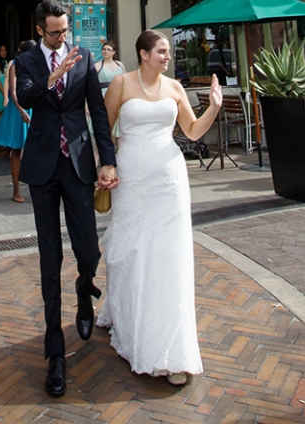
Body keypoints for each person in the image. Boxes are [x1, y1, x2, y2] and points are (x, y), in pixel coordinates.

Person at [97, 30, 222, 386]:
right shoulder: (121, 83)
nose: (168, 57)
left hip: (169, 178)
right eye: (162, 51)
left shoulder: (176, 88)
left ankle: (170, 346)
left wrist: (212, 105)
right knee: (131, 249)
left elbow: (193, 132)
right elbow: (103, 130)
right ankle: (126, 316)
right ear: (143, 53)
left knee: (169, 256)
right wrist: (105, 165)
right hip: (132, 177)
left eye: (168, 52)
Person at [16, 0, 117, 399]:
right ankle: (55, 353)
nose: (62, 37)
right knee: (49, 258)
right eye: (55, 32)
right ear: (41, 30)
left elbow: (98, 112)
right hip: (42, 166)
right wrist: (53, 74)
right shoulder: (27, 61)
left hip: (77, 164)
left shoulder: (85, 56)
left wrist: (107, 160)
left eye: (65, 30)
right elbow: (24, 99)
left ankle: (84, 289)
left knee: (89, 250)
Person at [0, 38, 35, 202]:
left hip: (33, 107)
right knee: (17, 149)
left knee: (36, 148)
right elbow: (14, 91)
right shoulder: (15, 65)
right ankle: (16, 189)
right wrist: (21, 109)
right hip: (19, 108)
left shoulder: (37, 64)